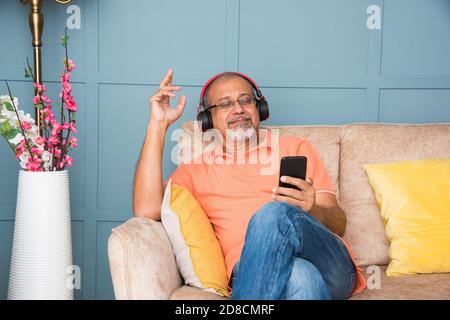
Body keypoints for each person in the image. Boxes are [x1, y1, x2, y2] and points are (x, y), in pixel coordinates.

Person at [132, 69, 366, 299]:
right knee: (300, 276)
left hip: (331, 268)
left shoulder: (295, 148)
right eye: (225, 104)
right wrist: (158, 125)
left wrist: (311, 209)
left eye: (246, 100)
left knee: (274, 213)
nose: (238, 110)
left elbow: (339, 223)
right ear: (207, 119)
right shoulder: (195, 170)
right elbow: (146, 208)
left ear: (259, 108)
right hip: (251, 270)